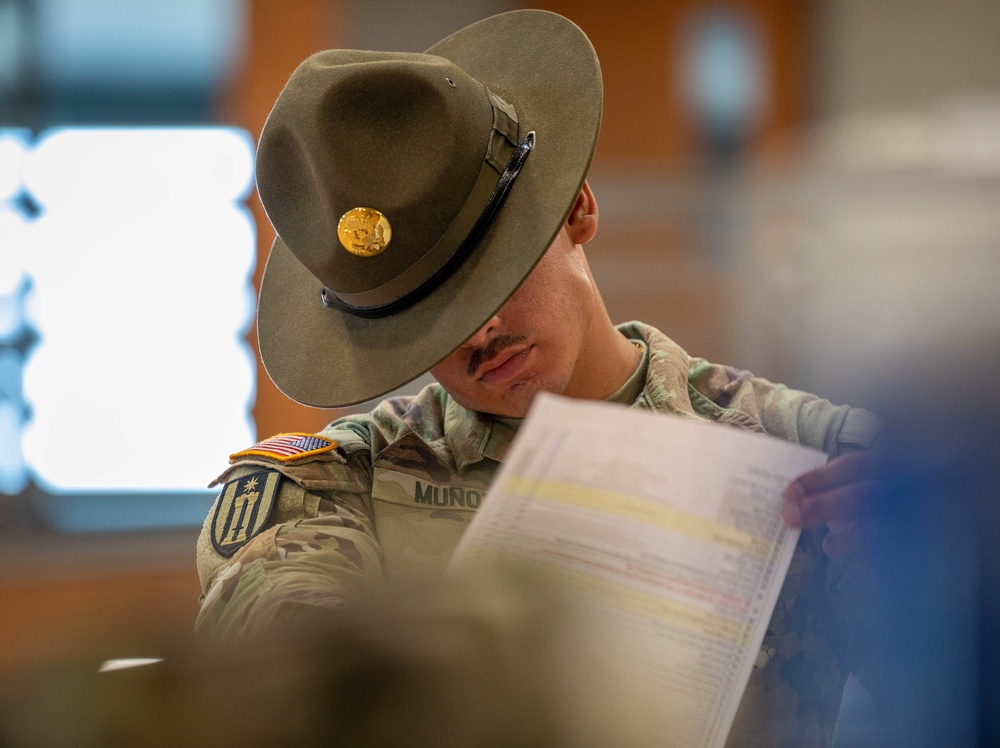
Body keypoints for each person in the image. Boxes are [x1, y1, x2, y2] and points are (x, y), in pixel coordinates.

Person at [195, 10, 882, 746]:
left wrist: (932, 558)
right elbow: (299, 684)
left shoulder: (820, 463)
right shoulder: (333, 492)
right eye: (423, 320)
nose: (478, 336)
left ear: (577, 207)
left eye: (490, 281)